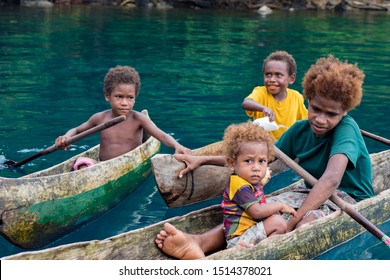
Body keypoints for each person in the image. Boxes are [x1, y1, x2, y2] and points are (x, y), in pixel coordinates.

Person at [155, 55, 375, 259]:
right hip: (311, 191)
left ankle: (253, 253)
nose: (320, 119)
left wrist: (294, 220)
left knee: (307, 223)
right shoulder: (300, 130)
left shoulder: (347, 129)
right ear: (308, 100)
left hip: (349, 199)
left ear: (344, 112)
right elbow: (256, 158)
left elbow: (331, 181)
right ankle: (199, 242)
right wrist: (203, 160)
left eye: (331, 114)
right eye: (316, 109)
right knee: (259, 206)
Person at [55, 65, 191, 170]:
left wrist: (177, 146)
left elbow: (162, 136)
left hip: (128, 166)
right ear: (107, 96)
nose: (125, 103)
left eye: (130, 98)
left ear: (135, 98)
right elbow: (77, 131)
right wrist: (66, 138)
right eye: (119, 97)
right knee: (80, 164)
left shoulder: (139, 119)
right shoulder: (100, 118)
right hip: (102, 166)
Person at [220, 121, 297, 248]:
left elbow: (254, 195)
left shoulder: (247, 182)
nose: (256, 167)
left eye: (261, 161)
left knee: (277, 218)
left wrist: (260, 185)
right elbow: (257, 212)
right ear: (232, 163)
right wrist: (281, 205)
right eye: (248, 161)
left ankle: (263, 247)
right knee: (278, 222)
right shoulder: (239, 185)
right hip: (239, 240)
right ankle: (263, 251)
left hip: (249, 233)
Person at [242, 50, 308, 140]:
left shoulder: (296, 97)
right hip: (262, 144)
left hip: (287, 145)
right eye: (268, 75)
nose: (272, 79)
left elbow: (306, 122)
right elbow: (246, 103)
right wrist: (263, 108)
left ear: (291, 79)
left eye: (278, 75)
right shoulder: (261, 92)